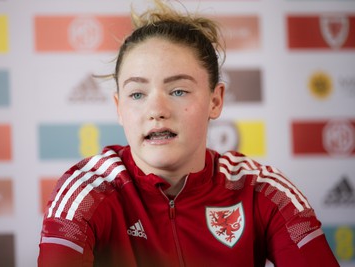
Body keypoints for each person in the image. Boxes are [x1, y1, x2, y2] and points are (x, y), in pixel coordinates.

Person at [38, 0, 340, 266]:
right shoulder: (87, 192)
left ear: (215, 100)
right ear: (119, 108)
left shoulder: (261, 190)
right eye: (137, 94)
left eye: (178, 90)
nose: (156, 110)